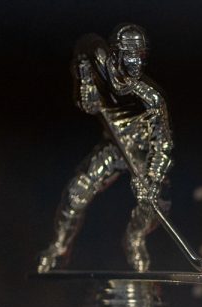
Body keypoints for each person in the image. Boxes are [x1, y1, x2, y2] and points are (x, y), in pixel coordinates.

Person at [37, 24, 172, 273]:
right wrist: (84, 76)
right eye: (129, 54)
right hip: (114, 146)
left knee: (154, 202)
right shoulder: (99, 62)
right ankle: (58, 247)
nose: (135, 62)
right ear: (116, 54)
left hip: (141, 152)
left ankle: (135, 239)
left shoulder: (151, 98)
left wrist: (151, 180)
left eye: (141, 55)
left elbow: (162, 144)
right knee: (76, 193)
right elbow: (89, 105)